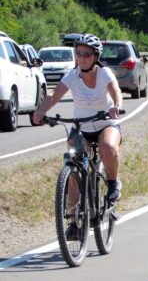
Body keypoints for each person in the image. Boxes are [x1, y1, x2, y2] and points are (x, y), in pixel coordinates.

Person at [33, 33, 123, 203]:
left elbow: (115, 91)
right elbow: (53, 96)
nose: (82, 58)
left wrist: (116, 106)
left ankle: (113, 182)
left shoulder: (104, 73)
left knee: (108, 146)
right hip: (81, 127)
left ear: (96, 56)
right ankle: (73, 220)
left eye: (87, 54)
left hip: (106, 124)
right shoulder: (72, 75)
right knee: (73, 168)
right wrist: (41, 111)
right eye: (79, 53)